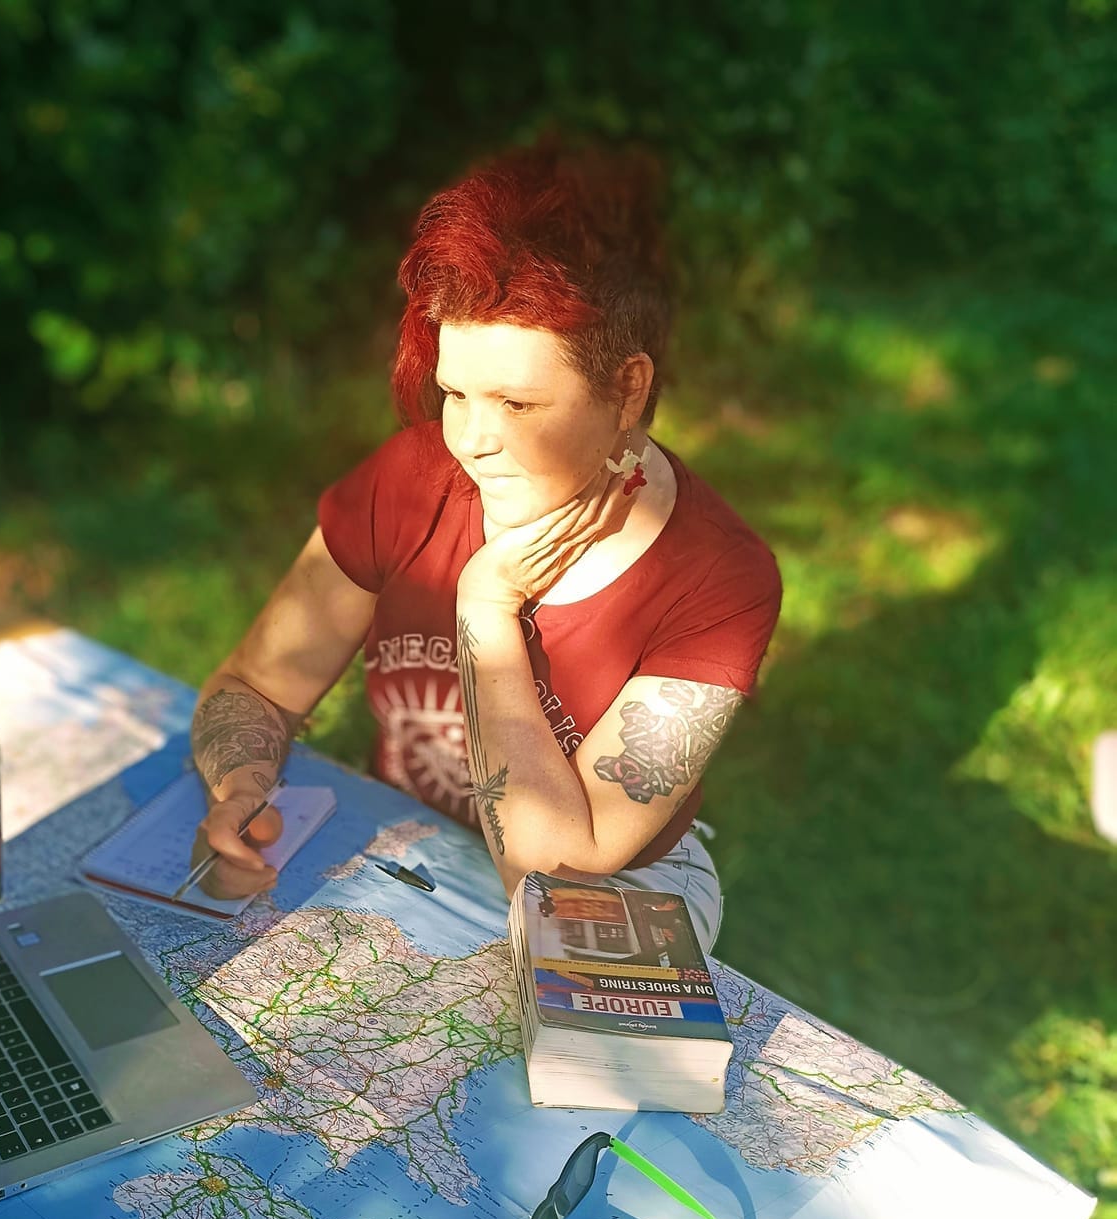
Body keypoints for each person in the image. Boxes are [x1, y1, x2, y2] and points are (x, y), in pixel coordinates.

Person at [187, 139, 781, 952]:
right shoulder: (408, 481)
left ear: (627, 388)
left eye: (517, 404)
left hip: (616, 884)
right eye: (455, 393)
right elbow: (255, 685)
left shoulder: (718, 578)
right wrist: (241, 788)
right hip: (407, 838)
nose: (471, 440)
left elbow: (555, 874)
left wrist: (486, 610)